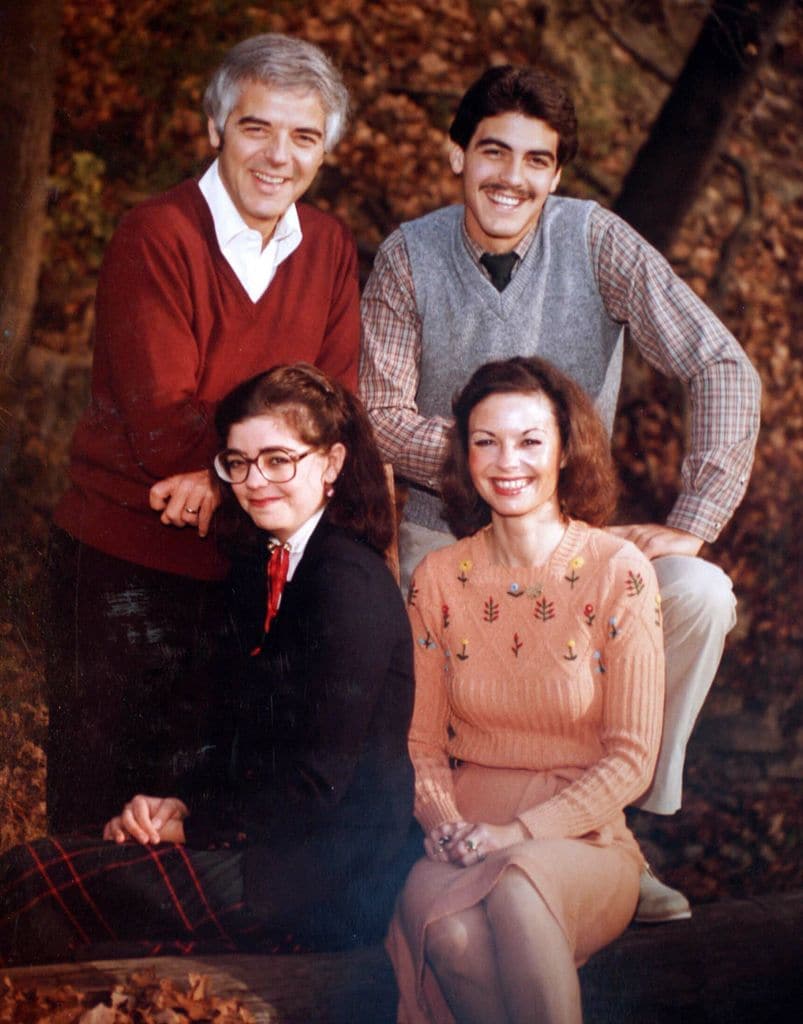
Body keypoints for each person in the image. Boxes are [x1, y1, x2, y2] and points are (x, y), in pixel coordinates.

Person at [359, 64, 761, 921]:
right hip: (442, 531)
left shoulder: (594, 240)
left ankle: (603, 830)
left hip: (573, 539)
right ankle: (442, 837)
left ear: (557, 172)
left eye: (536, 160)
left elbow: (720, 361)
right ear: (456, 153)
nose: (512, 176)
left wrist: (695, 520)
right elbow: (381, 412)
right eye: (492, 151)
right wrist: (497, 464)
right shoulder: (406, 256)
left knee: (696, 593)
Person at [46, 34, 360, 833]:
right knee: (101, 812)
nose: (277, 156)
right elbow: (161, 416)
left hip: (252, 570)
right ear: (216, 126)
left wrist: (222, 479)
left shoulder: (326, 248)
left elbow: (334, 407)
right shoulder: (156, 235)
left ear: (325, 151)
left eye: (304, 136)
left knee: (199, 811)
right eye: (257, 127)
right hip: (126, 562)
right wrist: (262, 475)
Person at [0, 363, 415, 965]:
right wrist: (178, 803)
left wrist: (191, 829)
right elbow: (236, 739)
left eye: (278, 459)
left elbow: (316, 783)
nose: (255, 482)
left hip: (323, 880)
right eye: (237, 463)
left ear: (331, 464)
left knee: (29, 877)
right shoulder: (266, 564)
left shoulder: (348, 585)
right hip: (265, 852)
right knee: (51, 893)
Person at [386, 356, 664, 1024]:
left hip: (580, 840)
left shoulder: (615, 573)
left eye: (529, 440)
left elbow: (631, 759)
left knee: (517, 886)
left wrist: (516, 834)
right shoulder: (438, 578)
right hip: (461, 836)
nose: (506, 460)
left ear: (566, 451)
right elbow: (420, 742)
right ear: (464, 454)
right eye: (485, 441)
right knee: (448, 935)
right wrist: (449, 828)